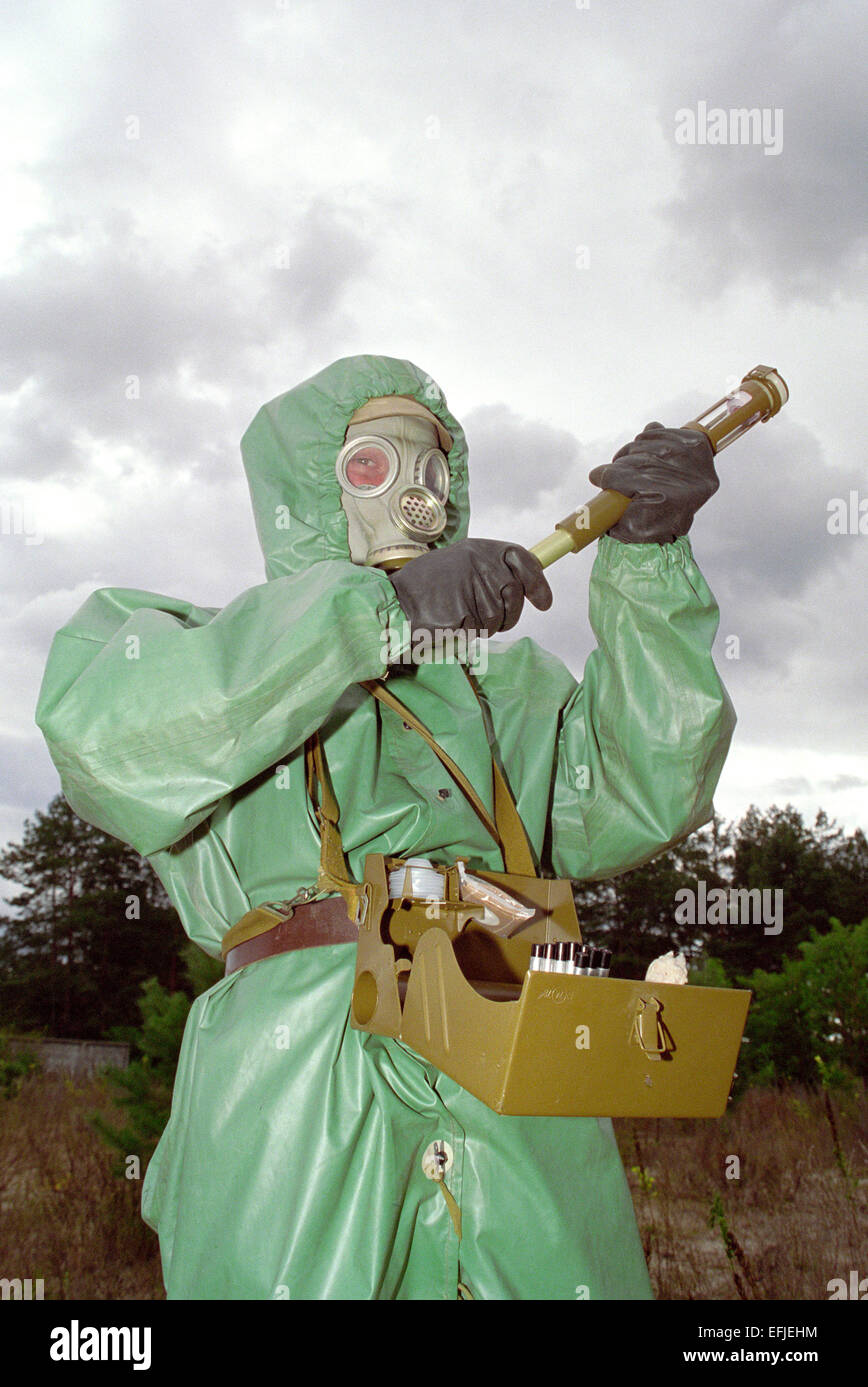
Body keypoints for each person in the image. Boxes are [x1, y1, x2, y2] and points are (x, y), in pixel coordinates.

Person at [36, 353, 733, 1300]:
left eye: (435, 468)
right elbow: (107, 747)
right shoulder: (191, 652)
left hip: (513, 1064)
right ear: (305, 486)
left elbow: (648, 781)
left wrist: (649, 560)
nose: (414, 491)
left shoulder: (509, 691)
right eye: (371, 463)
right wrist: (377, 616)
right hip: (298, 1093)